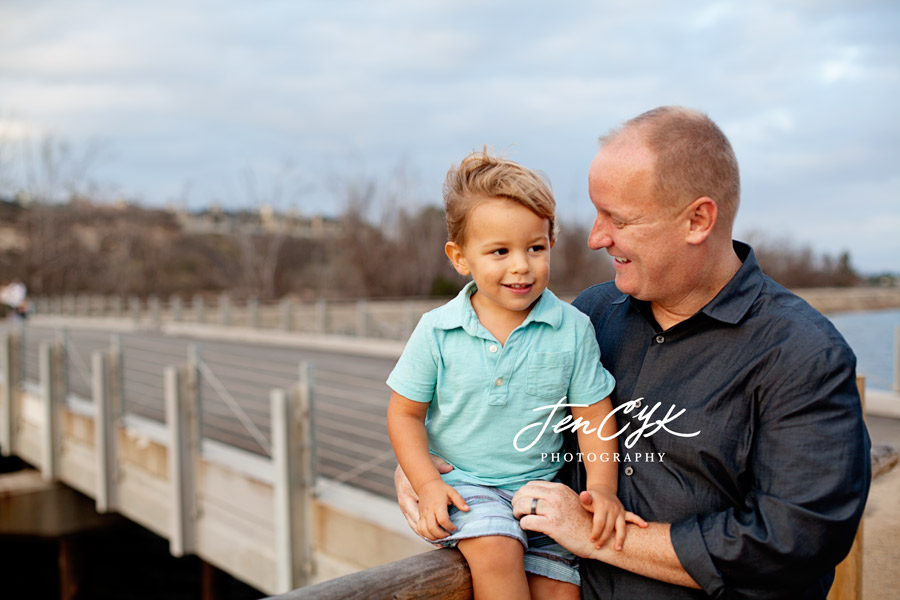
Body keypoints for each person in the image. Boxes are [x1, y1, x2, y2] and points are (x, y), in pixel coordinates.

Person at [397, 107, 871, 599]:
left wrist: (600, 539)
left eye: (618, 219)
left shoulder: (802, 355)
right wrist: (433, 467)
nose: (595, 237)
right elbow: (526, 428)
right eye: (597, 212)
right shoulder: (592, 315)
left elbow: (793, 540)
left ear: (697, 220)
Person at [386, 150, 645, 600]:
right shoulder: (437, 330)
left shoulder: (571, 328)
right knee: (497, 549)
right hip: (467, 486)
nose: (521, 265)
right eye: (500, 251)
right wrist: (427, 484)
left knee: (560, 589)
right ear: (460, 257)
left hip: (543, 488)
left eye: (535, 248)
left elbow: (592, 416)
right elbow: (404, 414)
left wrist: (603, 490)